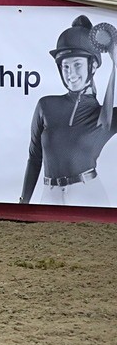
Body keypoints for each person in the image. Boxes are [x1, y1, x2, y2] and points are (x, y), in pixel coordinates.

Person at [20, 15, 116, 206]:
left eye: (77, 65)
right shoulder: (45, 106)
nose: (70, 74)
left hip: (89, 195)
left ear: (93, 65)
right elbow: (34, 158)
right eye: (65, 66)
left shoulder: (106, 115)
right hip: (49, 195)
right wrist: (24, 203)